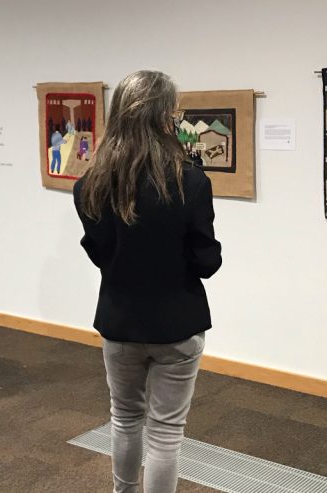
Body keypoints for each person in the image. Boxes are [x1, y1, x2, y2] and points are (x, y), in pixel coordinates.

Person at [74, 70, 221, 493]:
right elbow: (206, 261)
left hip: (120, 322)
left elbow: (99, 253)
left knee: (124, 420)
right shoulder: (190, 181)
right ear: (163, 117)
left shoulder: (90, 185)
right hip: (177, 323)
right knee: (166, 433)